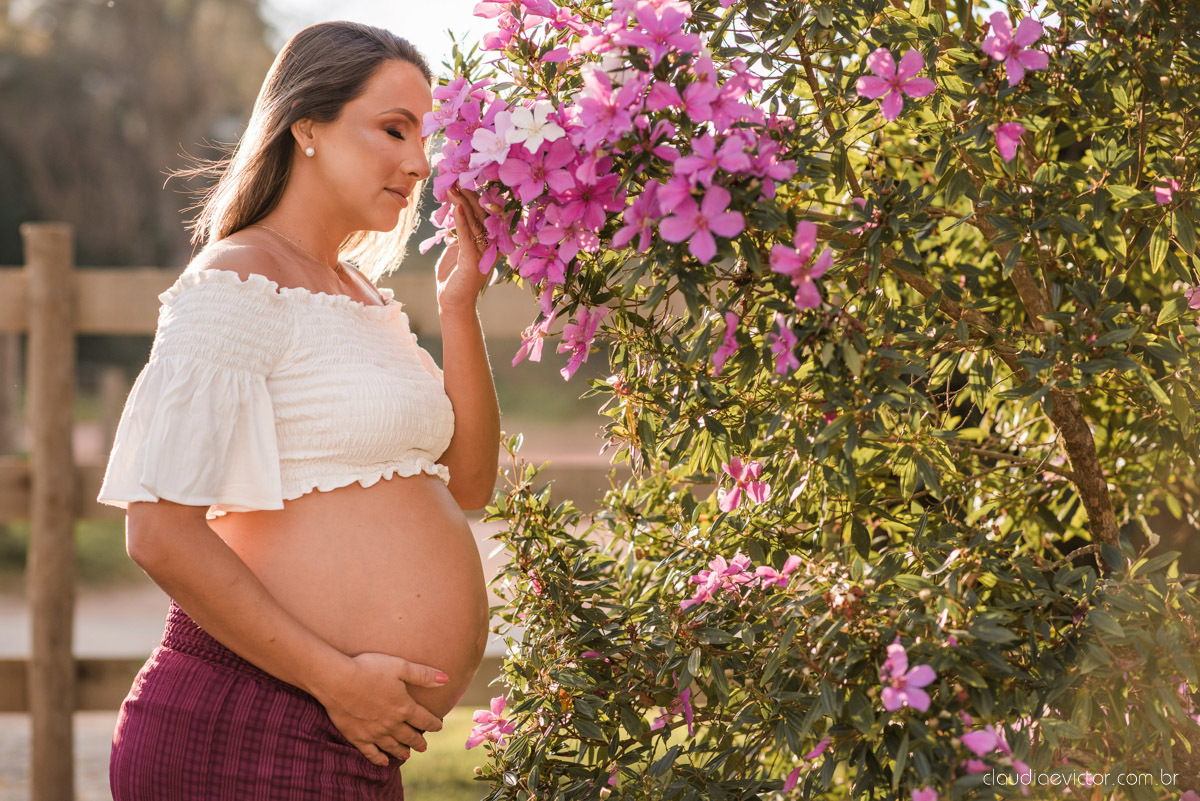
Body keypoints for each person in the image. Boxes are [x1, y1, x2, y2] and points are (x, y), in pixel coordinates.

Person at [96, 20, 500, 799]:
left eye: (427, 138)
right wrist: (336, 680)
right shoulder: (235, 281)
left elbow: (471, 484)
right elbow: (158, 531)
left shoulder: (366, 299)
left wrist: (459, 307)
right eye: (394, 129)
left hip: (355, 734)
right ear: (306, 125)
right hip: (244, 725)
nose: (420, 163)